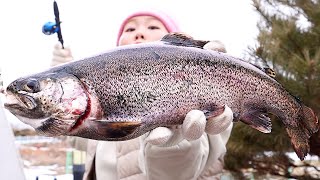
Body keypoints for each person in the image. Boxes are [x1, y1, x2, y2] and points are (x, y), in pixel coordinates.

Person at [51, 9, 233, 180]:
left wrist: (173, 146)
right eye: (130, 29)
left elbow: (182, 173)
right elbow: (74, 134)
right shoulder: (106, 110)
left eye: (153, 27)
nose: (139, 33)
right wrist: (60, 88)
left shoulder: (199, 98)